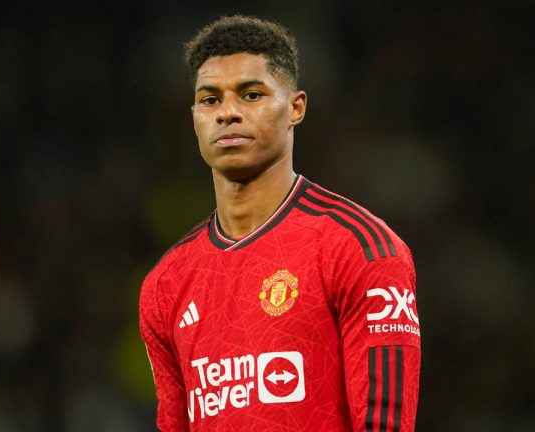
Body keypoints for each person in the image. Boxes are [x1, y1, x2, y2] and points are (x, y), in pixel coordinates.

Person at [139, 15, 421, 431]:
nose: (228, 113)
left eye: (250, 95)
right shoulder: (167, 283)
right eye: (210, 100)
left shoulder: (360, 248)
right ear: (194, 116)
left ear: (295, 108)